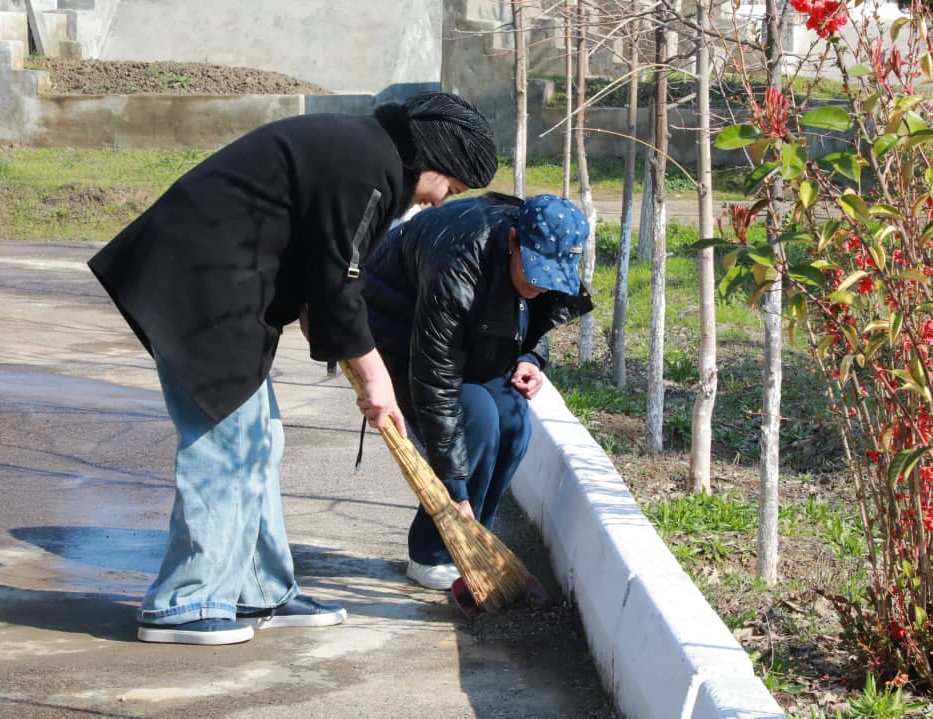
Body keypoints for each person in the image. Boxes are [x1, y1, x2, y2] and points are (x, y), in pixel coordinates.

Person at [88, 92, 497, 645]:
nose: (441, 201)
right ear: (436, 159)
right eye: (451, 186)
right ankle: (185, 601)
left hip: (224, 290)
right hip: (201, 289)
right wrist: (375, 376)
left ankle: (260, 587)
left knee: (259, 440)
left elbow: (322, 263)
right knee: (226, 444)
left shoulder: (363, 155)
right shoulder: (367, 165)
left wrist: (324, 319)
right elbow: (340, 284)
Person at [362, 192, 593, 590]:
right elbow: (436, 380)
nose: (540, 286)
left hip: (465, 336)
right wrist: (454, 489)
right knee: (477, 418)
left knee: (513, 418)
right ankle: (431, 553)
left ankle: (472, 544)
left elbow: (536, 314)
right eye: (535, 274)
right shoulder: (458, 257)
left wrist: (532, 359)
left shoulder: (537, 250)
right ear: (514, 241)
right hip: (398, 332)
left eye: (550, 277)